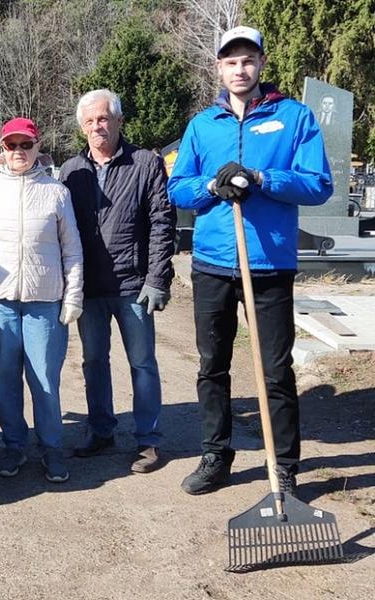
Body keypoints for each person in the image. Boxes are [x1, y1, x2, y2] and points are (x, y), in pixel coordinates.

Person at [167, 26, 332, 496]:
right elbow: (177, 187)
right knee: (211, 365)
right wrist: (209, 188)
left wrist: (262, 177)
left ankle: (283, 467)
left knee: (275, 370)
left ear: (261, 63)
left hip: (269, 264)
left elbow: (318, 184)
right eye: (230, 61)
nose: (239, 69)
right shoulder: (203, 124)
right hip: (215, 262)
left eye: (247, 60)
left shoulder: (293, 117)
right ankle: (216, 454)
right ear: (218, 67)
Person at [0, 117, 83, 483]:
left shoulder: (57, 192)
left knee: (44, 377)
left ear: (36, 146)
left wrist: (73, 295)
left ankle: (51, 448)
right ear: (2, 148)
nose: (18, 152)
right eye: (11, 145)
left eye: (25, 145)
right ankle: (14, 445)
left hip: (45, 301)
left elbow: (72, 249)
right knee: (6, 377)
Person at [59, 90, 176, 474]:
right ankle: (101, 429)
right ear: (82, 126)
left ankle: (148, 440)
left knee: (142, 363)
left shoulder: (144, 163)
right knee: (94, 362)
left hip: (133, 285)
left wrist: (158, 278)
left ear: (119, 121)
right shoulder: (71, 171)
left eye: (104, 118)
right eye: (90, 121)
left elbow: (162, 222)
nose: (98, 126)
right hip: (89, 288)